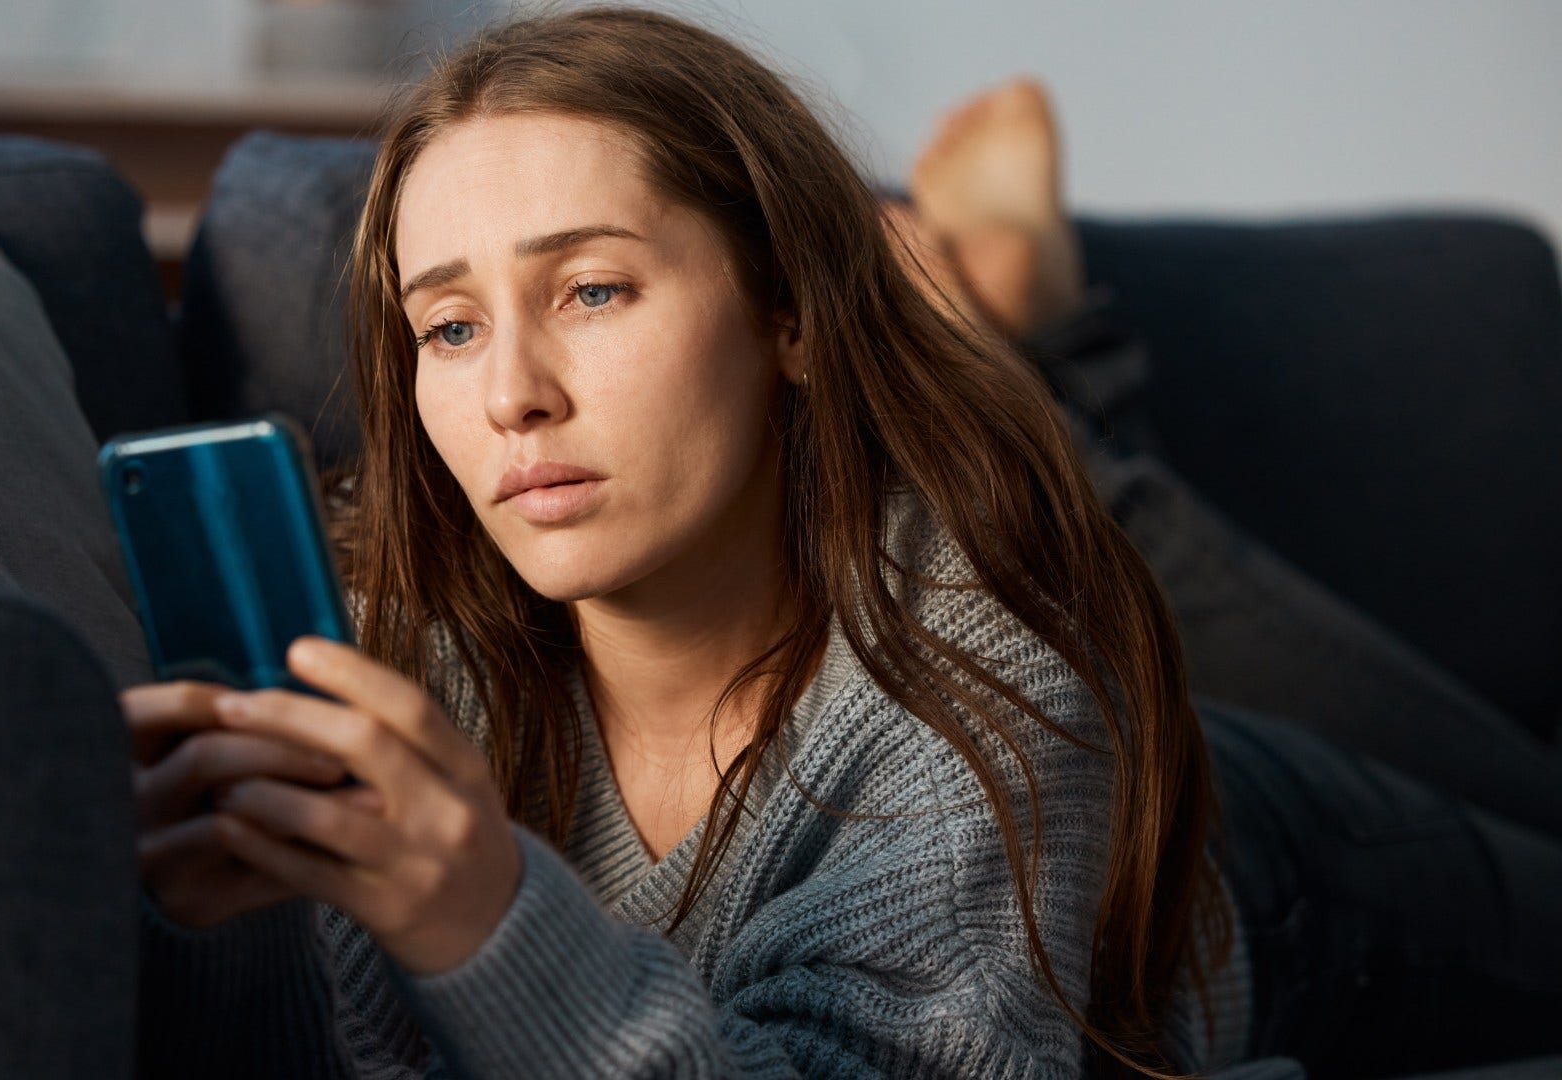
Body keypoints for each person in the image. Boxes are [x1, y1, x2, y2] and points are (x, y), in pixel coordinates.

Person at [127, 8, 1562, 1078]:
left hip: (1284, 875)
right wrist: (243, 927)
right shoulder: (399, 669)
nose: (511, 394)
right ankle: (1041, 349)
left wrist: (483, 918)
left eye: (596, 290)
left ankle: (1046, 355)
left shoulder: (979, 708)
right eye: (449, 325)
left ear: (791, 313)